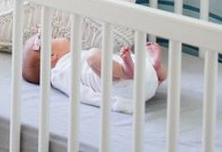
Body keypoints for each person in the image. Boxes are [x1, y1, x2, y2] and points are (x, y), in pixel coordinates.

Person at [21, 32, 167, 114]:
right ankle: (138, 71)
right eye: (51, 38)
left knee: (106, 58)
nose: (55, 35)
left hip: (142, 88)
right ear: (51, 55)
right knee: (93, 56)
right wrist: (112, 103)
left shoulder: (74, 56)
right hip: (118, 87)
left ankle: (153, 71)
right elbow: (80, 93)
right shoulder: (58, 73)